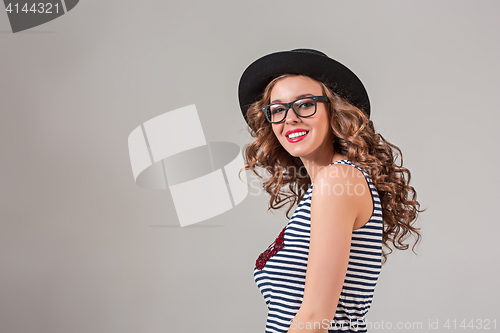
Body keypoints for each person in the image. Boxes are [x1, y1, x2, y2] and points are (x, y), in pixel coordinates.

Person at [237, 49, 423, 333]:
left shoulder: (338, 181)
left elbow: (314, 320)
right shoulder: (330, 184)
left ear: (333, 110)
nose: (290, 118)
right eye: (277, 109)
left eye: (305, 104)